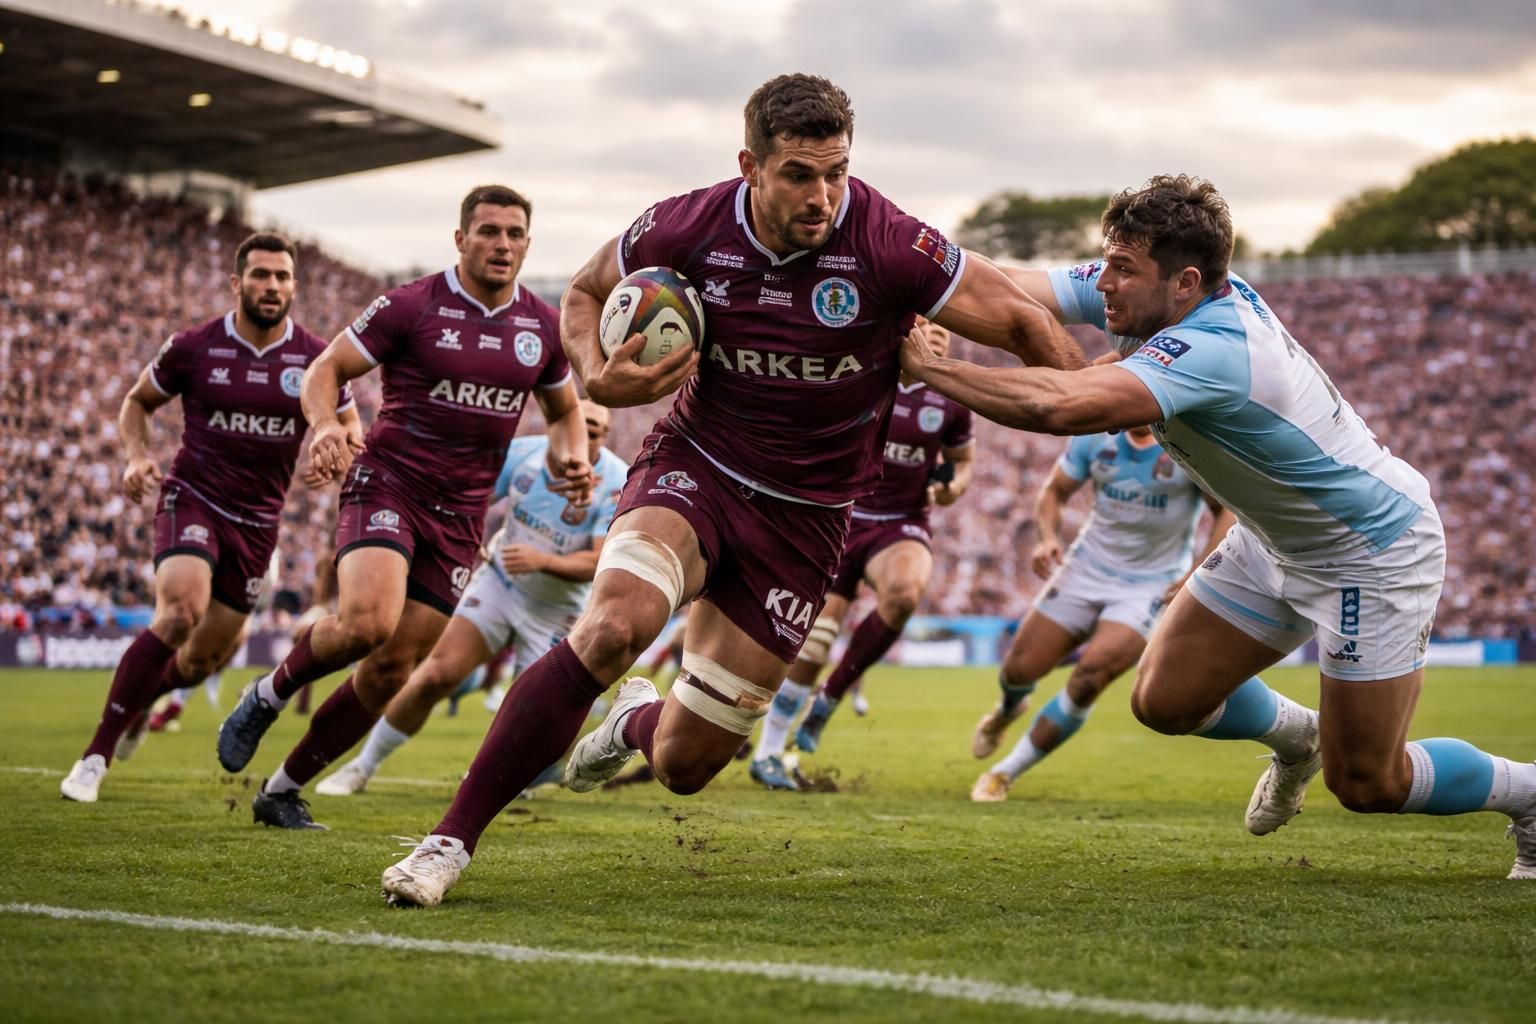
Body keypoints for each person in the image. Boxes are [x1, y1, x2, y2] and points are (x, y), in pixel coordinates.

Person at [380, 73, 1085, 907]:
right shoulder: (686, 224)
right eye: (798, 173)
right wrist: (597, 377)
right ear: (749, 164)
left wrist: (1083, 398)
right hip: (698, 468)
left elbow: (1024, 322)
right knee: (611, 628)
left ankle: (630, 723)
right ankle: (446, 844)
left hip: (810, 519)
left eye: (838, 172)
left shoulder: (891, 242)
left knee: (684, 764)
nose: (823, 195)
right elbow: (583, 290)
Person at [898, 174, 1536, 879]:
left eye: (1121, 270)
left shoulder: (1218, 346)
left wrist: (938, 372)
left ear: (1185, 282)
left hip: (1370, 550)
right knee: (1163, 702)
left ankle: (1530, 795)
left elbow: (1063, 406)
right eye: (1105, 262)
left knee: (1367, 785)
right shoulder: (1161, 291)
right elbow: (1016, 284)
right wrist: (900, 264)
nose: (1102, 283)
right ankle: (1298, 737)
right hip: (1273, 538)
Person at [215, 185, 592, 830]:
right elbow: (325, 371)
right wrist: (326, 427)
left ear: (528, 244)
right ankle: (267, 694)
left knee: (391, 668)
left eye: (514, 234)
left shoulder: (541, 325)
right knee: (367, 625)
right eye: (488, 231)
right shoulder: (411, 305)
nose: (502, 244)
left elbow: (566, 413)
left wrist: (572, 457)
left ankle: (282, 790)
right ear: (460, 238)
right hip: (389, 483)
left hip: (463, 515)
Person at [59, 233, 360, 802]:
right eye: (260, 275)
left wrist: (334, 448)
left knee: (199, 661)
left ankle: (148, 695)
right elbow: (136, 402)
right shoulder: (193, 347)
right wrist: (136, 456)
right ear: (236, 282)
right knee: (178, 613)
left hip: (258, 527)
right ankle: (94, 757)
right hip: (193, 499)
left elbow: (350, 428)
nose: (271, 286)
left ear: (295, 286)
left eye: (281, 277)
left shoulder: (317, 361)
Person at [314, 401, 627, 797]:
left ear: (606, 434)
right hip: (501, 584)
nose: (588, 433)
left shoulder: (615, 480)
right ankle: (361, 767)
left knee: (533, 710)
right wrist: (470, 535)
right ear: (560, 424)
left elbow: (601, 558)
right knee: (435, 674)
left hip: (558, 608)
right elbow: (471, 500)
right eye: (582, 423)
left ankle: (511, 778)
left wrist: (541, 560)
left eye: (598, 428)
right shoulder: (524, 454)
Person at [749, 318, 975, 789]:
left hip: (900, 523)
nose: (935, 332)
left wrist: (954, 487)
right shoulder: (862, 374)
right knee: (812, 642)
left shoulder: (952, 401)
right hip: (838, 518)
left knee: (904, 593)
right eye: (925, 323)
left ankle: (830, 698)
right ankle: (768, 752)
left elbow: (962, 463)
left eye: (943, 330)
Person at [969, 425, 1231, 801]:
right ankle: (1007, 709)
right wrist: (1046, 539)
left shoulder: (1186, 440)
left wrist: (1196, 571)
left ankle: (1003, 772)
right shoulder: (1095, 436)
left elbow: (1226, 511)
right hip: (1084, 569)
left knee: (1090, 676)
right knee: (1018, 670)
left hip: (1149, 585)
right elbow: (1054, 492)